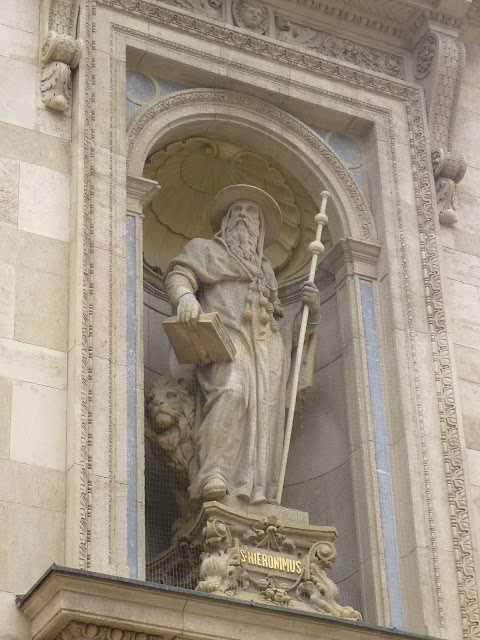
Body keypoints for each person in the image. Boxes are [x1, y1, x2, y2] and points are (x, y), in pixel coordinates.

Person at [164, 185, 320, 504]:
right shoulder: (205, 251)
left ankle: (257, 485)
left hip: (266, 350)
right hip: (226, 338)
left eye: (251, 214)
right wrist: (184, 300)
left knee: (265, 413)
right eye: (236, 211)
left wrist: (309, 315)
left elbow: (275, 322)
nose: (243, 217)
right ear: (224, 222)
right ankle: (214, 473)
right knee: (233, 391)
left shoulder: (265, 272)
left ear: (260, 231)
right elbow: (179, 275)